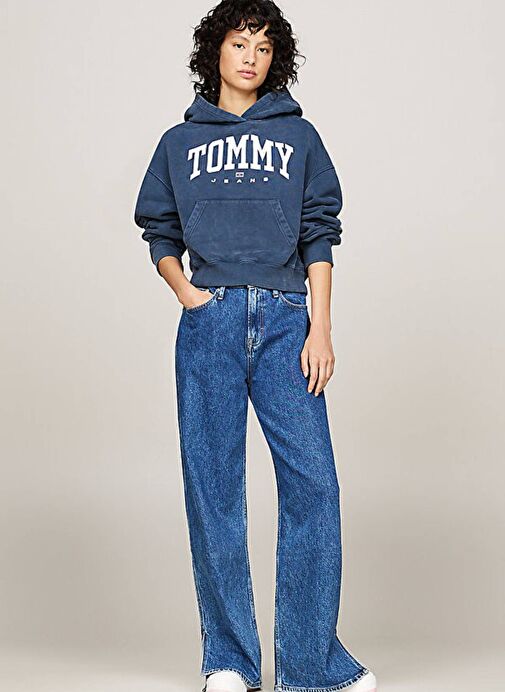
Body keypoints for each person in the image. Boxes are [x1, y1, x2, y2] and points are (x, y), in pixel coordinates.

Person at [133, 2, 377, 691]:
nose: (251, 57)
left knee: (313, 485)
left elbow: (319, 231)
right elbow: (158, 228)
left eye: (264, 48)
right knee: (213, 489)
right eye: (240, 43)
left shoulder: (299, 137)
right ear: (215, 50)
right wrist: (187, 294)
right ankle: (229, 661)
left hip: (286, 322)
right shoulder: (178, 143)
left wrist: (320, 327)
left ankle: (310, 666)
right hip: (208, 322)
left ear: (277, 60)